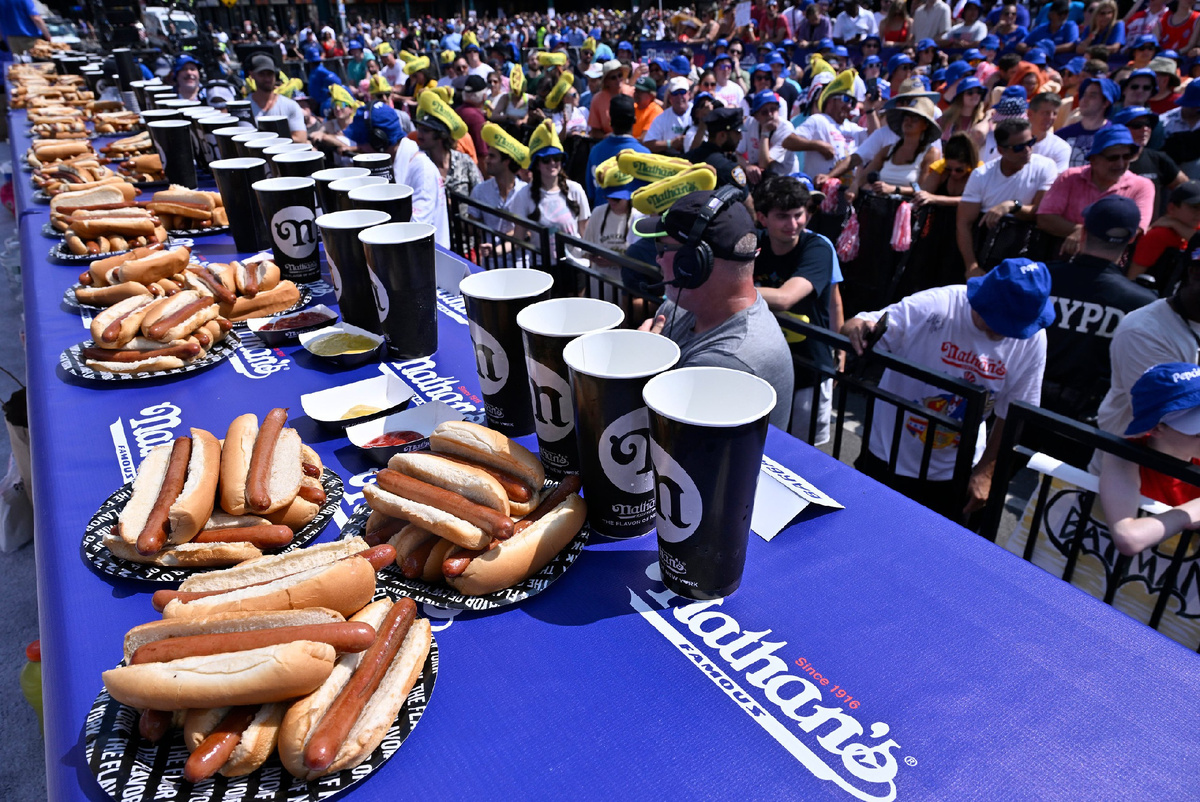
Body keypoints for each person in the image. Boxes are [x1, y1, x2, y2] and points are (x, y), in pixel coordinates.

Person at [842, 258, 1053, 521]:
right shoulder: (937, 306)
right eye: (1001, 324)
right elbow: (861, 322)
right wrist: (857, 329)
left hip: (956, 467)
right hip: (889, 450)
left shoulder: (1031, 336)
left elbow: (1016, 411)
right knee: (864, 528)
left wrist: (986, 472)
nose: (1007, 335)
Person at [634, 188, 794, 430]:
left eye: (661, 249)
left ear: (691, 264)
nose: (656, 259)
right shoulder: (680, 306)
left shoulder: (728, 360)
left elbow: (650, 432)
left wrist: (637, 368)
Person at [1043, 196, 1157, 425]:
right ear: (1132, 238)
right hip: (1085, 426)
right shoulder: (1142, 303)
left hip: (1021, 409)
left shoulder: (1042, 278)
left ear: (1083, 232)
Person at [752, 176, 838, 443]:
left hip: (809, 367)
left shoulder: (818, 248)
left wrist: (838, 349)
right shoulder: (753, 242)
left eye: (798, 215)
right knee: (763, 444)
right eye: (782, 216)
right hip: (764, 364)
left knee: (804, 454)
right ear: (762, 218)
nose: (793, 224)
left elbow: (786, 297)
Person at [1100, 363, 1200, 557]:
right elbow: (1128, 537)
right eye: (1198, 431)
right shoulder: (1125, 456)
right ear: (1155, 429)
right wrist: (1190, 512)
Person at [957, 118, 1056, 277]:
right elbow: (964, 223)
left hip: (1026, 257)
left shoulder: (1046, 167)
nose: (1027, 150)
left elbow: (1040, 213)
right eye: (1018, 147)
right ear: (1001, 150)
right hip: (985, 255)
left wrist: (1012, 205)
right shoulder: (981, 175)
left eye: (1031, 142)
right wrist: (971, 266)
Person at [1038, 125, 1156, 257]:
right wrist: (1080, 230)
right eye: (1113, 157)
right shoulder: (1070, 177)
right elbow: (1045, 218)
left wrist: (1083, 233)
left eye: (1127, 156)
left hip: (1110, 261)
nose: (1121, 163)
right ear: (1094, 159)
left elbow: (1135, 230)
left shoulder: (1142, 186)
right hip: (1063, 254)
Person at [344, 102, 447, 246]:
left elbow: (416, 229)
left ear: (379, 141)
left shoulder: (423, 171)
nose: (358, 147)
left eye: (362, 141)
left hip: (427, 257)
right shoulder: (389, 162)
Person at [512, 121, 591, 259]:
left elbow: (586, 234)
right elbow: (518, 238)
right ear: (537, 164)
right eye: (546, 159)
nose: (553, 163)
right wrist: (496, 249)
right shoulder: (523, 195)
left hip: (574, 266)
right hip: (542, 267)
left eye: (557, 158)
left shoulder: (575, 190)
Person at [790, 71, 867, 179]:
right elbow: (789, 141)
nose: (849, 106)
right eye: (846, 99)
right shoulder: (818, 120)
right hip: (821, 190)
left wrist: (871, 110)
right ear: (831, 101)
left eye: (852, 103)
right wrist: (817, 146)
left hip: (847, 192)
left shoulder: (853, 128)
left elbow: (878, 141)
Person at [470, 125, 529, 262]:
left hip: (519, 263)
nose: (487, 160)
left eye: (492, 156)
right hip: (490, 263)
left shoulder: (525, 191)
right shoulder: (480, 191)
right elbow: (472, 226)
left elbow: (529, 231)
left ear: (506, 162)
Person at [1128, 181, 1200, 291]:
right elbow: (1132, 277)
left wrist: (1175, 224)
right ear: (1172, 208)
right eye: (1194, 207)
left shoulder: (1195, 229)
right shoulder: (1159, 235)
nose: (1199, 213)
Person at [585, 95, 649, 207]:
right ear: (634, 120)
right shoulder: (645, 154)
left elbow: (591, 193)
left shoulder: (595, 151)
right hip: (633, 221)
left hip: (601, 220)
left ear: (610, 121)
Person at [685, 107, 751, 202]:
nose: (740, 137)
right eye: (737, 133)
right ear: (722, 135)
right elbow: (748, 203)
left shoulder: (689, 157)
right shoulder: (729, 169)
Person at [1055, 77, 1118, 167]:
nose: (1084, 99)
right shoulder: (1062, 135)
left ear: (1106, 103)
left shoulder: (1115, 135)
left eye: (1092, 96)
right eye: (1084, 94)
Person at [740, 90, 799, 184]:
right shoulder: (750, 123)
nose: (770, 114)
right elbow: (738, 153)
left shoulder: (786, 128)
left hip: (785, 180)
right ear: (756, 116)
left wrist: (765, 133)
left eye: (773, 109)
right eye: (764, 112)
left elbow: (764, 163)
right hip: (761, 179)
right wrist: (747, 166)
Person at [245, 53, 307, 143]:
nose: (267, 79)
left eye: (270, 74)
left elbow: (301, 139)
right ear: (252, 75)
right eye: (262, 74)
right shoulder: (245, 107)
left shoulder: (291, 105)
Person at [645, 78, 693, 154]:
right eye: (675, 93)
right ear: (670, 97)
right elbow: (648, 144)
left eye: (682, 92)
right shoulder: (662, 118)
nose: (679, 96)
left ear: (689, 94)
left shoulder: (698, 112)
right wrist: (670, 143)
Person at [588, 60, 634, 138]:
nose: (618, 79)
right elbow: (594, 131)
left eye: (620, 75)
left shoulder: (632, 93)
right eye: (613, 77)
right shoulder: (597, 99)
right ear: (606, 81)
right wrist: (607, 138)